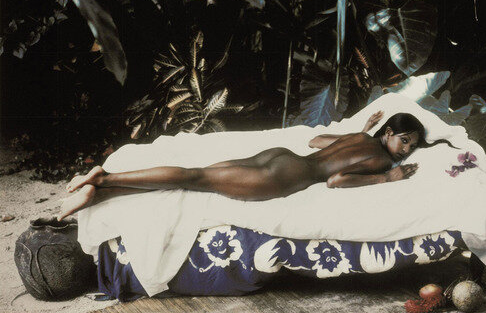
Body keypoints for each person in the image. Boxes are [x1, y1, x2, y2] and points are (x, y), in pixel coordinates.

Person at [58, 111, 426, 221]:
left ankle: (100, 192)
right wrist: (386, 178)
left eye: (411, 146)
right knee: (192, 178)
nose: (406, 151)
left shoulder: (361, 137)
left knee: (195, 178)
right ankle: (104, 176)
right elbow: (337, 180)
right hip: (287, 175)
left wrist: (360, 131)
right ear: (388, 133)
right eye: (405, 141)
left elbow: (316, 141)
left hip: (281, 156)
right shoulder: (382, 159)